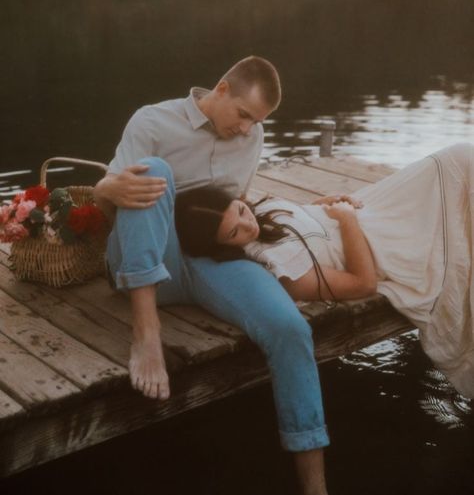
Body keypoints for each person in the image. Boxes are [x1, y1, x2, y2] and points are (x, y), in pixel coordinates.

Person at [94, 56, 330, 495]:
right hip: (141, 260)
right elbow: (108, 195)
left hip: (207, 260)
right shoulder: (153, 121)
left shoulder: (252, 135)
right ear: (221, 89)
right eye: (243, 114)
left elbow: (237, 204)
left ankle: (315, 488)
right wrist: (107, 186)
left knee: (291, 328)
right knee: (154, 171)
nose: (246, 129)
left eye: (256, 121)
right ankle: (147, 333)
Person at [174, 143, 474, 399]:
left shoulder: (262, 212)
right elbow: (363, 284)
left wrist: (325, 204)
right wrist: (346, 221)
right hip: (375, 239)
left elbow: (300, 220)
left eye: (240, 210)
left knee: (458, 159)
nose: (248, 225)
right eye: (234, 233)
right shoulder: (282, 270)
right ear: (222, 247)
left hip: (369, 207)